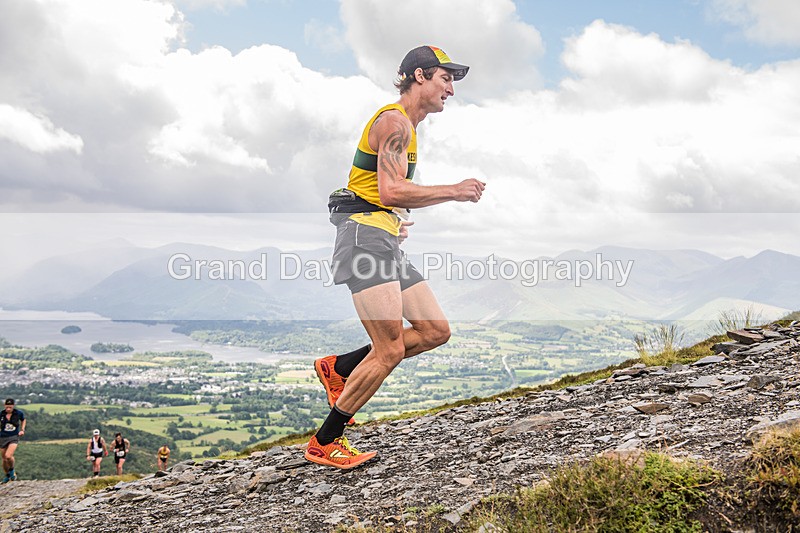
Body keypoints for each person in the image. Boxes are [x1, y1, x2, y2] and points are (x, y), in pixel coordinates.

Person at [305, 45, 484, 469]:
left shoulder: (407, 128)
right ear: (419, 76)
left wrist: (392, 219)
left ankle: (341, 367)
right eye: (446, 79)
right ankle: (325, 441)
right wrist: (455, 190)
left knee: (435, 330)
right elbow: (391, 190)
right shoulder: (394, 122)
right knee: (388, 351)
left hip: (379, 236)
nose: (451, 90)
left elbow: (378, 195)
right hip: (366, 239)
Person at [1, 398, 26, 482]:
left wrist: (22, 429)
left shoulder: (18, 413)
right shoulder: (1, 414)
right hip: (3, 437)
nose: (8, 409)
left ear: (13, 406)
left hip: (14, 437)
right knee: (4, 459)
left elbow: (23, 419)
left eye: (10, 407)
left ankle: (12, 470)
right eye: (7, 407)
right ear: (5, 406)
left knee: (8, 456)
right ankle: (7, 475)